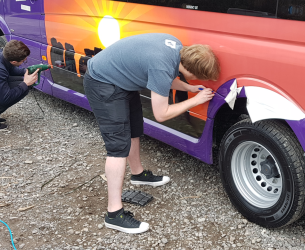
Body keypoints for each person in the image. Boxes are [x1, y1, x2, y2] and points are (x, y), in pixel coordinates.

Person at [84, 33, 220, 234]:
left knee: (134, 129)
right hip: (102, 82)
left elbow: (163, 79)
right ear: (192, 70)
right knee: (118, 147)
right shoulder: (161, 65)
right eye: (200, 77)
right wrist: (195, 100)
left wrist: (189, 87)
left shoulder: (176, 47)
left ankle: (138, 174)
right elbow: (161, 114)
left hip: (121, 80)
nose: (200, 80)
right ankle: (114, 214)